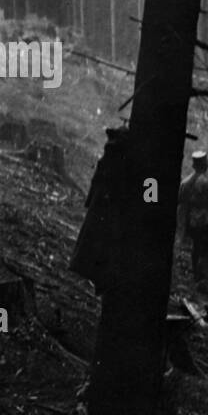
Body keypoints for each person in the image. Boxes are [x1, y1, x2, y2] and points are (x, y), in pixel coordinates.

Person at [70, 124, 130, 294]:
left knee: (97, 245)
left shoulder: (108, 157)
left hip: (101, 207)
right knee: (105, 248)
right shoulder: (120, 160)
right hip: (110, 210)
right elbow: (149, 190)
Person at [178, 150, 208, 292]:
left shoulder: (185, 182)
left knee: (196, 248)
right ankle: (202, 279)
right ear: (205, 164)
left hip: (191, 220)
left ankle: (196, 276)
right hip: (205, 221)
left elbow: (180, 200)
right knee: (207, 248)